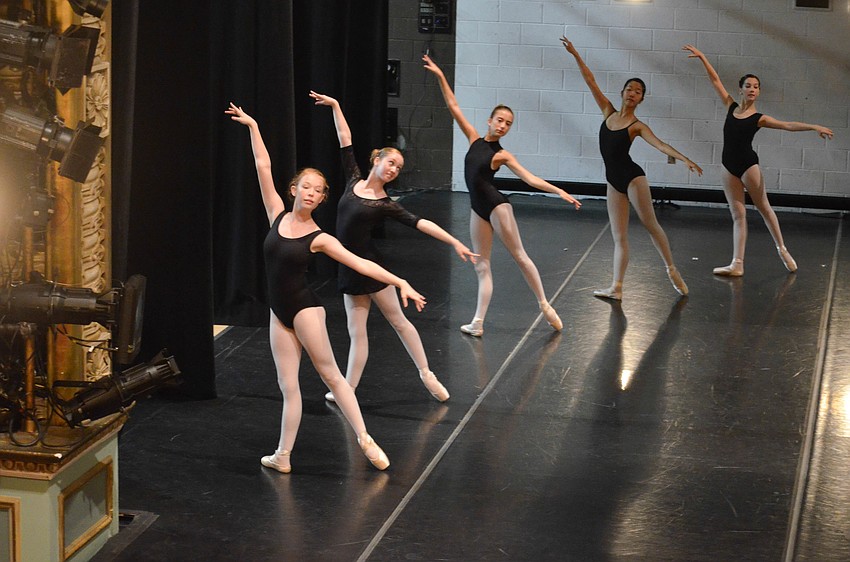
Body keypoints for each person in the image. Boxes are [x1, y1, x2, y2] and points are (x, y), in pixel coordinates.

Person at [226, 102, 427, 473]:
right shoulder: (276, 214)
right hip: (278, 312)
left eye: (318, 190)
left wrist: (399, 281)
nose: (311, 193)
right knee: (288, 387)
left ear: (321, 199)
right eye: (306, 186)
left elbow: (362, 263)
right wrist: (254, 126)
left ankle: (366, 439)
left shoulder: (319, 237)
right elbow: (262, 167)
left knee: (331, 374)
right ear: (293, 190)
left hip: (305, 309)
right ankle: (283, 455)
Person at [309, 91, 477, 403]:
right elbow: (344, 137)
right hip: (348, 268)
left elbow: (420, 223)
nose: (393, 170)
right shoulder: (353, 179)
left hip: (372, 268)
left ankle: (427, 374)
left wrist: (454, 241)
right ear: (377, 160)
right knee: (356, 333)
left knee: (399, 321)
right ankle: (347, 389)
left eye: (398, 168)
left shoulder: (386, 204)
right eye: (391, 163)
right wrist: (335, 104)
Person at [422, 54, 581, 337]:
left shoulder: (501, 154)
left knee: (519, 255)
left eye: (508, 123)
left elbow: (529, 178)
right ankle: (478, 323)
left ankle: (545, 304)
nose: (503, 126)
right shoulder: (473, 138)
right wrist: (440, 75)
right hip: (477, 209)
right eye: (500, 120)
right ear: (490, 120)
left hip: (497, 206)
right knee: (481, 265)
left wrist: (559, 191)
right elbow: (453, 105)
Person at [561, 36, 702, 301]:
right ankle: (616, 287)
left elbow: (660, 144)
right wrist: (576, 54)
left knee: (650, 224)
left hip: (632, 178)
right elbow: (590, 81)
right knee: (619, 236)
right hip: (613, 181)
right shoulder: (608, 112)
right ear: (622, 92)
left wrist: (684, 159)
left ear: (641, 99)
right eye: (629, 88)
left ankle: (671, 269)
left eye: (637, 91)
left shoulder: (636, 126)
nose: (632, 92)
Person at [683, 44, 833, 276]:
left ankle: (782, 249)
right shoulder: (730, 106)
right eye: (748, 86)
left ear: (758, 92)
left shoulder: (759, 118)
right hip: (727, 167)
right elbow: (715, 81)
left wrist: (814, 126)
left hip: (748, 166)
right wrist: (703, 57)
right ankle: (737, 264)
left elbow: (787, 125)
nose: (752, 89)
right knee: (738, 214)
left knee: (763, 207)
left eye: (756, 87)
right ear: (740, 90)